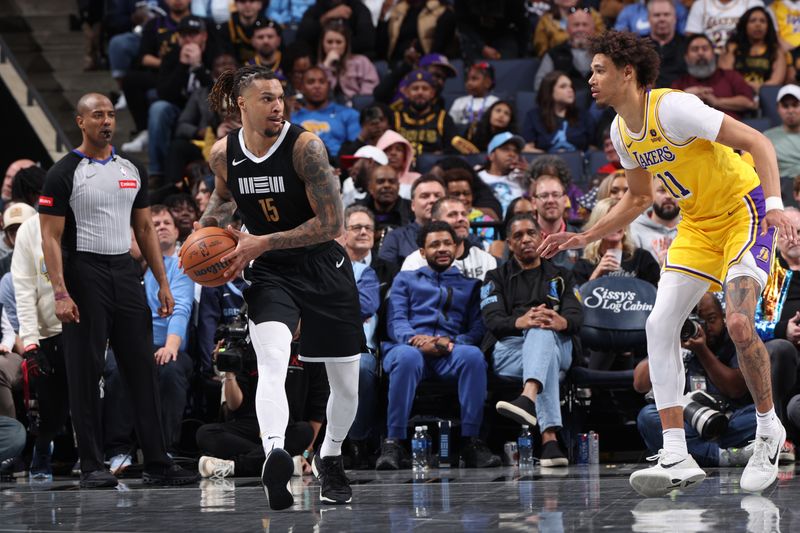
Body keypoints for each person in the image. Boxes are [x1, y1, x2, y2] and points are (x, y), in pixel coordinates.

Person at [539, 30, 795, 496]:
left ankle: (767, 429)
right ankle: (676, 451)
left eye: (598, 70)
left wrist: (776, 204)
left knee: (739, 324)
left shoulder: (674, 108)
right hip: (697, 226)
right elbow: (638, 197)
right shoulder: (621, 130)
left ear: (626, 72)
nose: (589, 79)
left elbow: (757, 141)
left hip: (744, 211)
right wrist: (585, 235)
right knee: (659, 325)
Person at [202, 65, 363, 508]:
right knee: (271, 359)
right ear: (242, 105)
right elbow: (222, 199)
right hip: (270, 269)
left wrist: (260, 241)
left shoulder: (305, 147)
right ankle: (275, 453)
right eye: (267, 99)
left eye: (280, 98)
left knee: (345, 385)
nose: (277, 106)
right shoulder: (223, 153)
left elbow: (333, 223)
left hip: (322, 265)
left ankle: (329, 455)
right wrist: (205, 238)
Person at [38, 93, 198, 488]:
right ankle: (91, 464)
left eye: (111, 114)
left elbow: (144, 229)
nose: (106, 121)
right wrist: (60, 291)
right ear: (81, 121)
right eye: (97, 115)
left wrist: (162, 282)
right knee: (86, 369)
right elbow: (50, 239)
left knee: (141, 368)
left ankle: (158, 461)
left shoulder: (131, 168)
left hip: (125, 272)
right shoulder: (63, 173)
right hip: (83, 271)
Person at [377, 221, 501, 469]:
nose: (442, 249)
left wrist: (452, 342)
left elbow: (478, 328)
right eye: (435, 244)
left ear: (456, 248)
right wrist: (415, 340)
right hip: (409, 349)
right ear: (422, 252)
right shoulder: (404, 280)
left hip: (450, 352)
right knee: (406, 358)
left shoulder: (471, 285)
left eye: (447, 243)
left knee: (473, 356)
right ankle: (393, 443)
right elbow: (396, 321)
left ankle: (472, 441)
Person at [483, 213, 582, 467]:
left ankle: (527, 397)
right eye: (518, 235)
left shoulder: (562, 275)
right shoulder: (495, 277)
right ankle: (550, 441)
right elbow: (492, 320)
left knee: (543, 331)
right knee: (539, 334)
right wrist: (521, 321)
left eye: (531, 233)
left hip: (559, 346)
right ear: (509, 243)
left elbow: (577, 316)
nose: (526, 239)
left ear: (542, 237)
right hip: (510, 351)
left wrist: (561, 322)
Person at [104, 207, 195, 462]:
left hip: (167, 343)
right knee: (115, 365)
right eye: (155, 223)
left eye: (168, 222)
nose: (162, 226)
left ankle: (165, 450)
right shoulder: (125, 267)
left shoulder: (179, 266)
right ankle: (118, 450)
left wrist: (171, 346)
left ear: (177, 232)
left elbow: (181, 309)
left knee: (170, 368)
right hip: (130, 344)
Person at [634, 292, 760, 468]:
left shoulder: (732, 338)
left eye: (711, 319)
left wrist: (702, 351)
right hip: (687, 425)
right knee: (647, 416)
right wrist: (668, 341)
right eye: (696, 320)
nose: (704, 326)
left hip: (728, 422)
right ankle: (723, 456)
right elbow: (640, 384)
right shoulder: (676, 338)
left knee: (764, 412)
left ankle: (694, 453)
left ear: (723, 317)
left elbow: (735, 389)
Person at [401, 197, 497, 281]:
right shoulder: (414, 262)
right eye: (452, 215)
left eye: (464, 214)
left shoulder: (486, 260)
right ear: (436, 222)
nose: (461, 219)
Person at [573, 197, 661, 286]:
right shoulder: (584, 264)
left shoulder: (642, 258)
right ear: (596, 226)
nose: (614, 226)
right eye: (608, 221)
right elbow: (579, 297)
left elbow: (656, 293)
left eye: (619, 220)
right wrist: (596, 274)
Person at [672, 33, 757, 120]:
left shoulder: (731, 76)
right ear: (686, 57)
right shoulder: (679, 84)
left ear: (713, 54)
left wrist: (717, 101)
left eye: (705, 49)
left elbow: (749, 102)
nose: (700, 53)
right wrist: (686, 96)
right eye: (695, 49)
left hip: (729, 130)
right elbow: (669, 110)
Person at [292, 66, 361, 158]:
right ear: (302, 87)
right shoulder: (292, 118)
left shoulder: (349, 114)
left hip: (338, 165)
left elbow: (356, 147)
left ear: (328, 85)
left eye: (322, 82)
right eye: (311, 82)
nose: (317, 86)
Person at [378, 174, 446, 266]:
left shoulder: (459, 236)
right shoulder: (395, 238)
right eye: (425, 196)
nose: (432, 200)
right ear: (413, 205)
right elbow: (385, 276)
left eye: (437, 196)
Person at [523, 71, 595, 154]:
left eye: (571, 86)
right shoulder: (533, 116)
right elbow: (527, 148)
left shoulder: (584, 116)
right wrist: (548, 158)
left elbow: (593, 148)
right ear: (549, 91)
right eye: (563, 86)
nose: (570, 90)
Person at [719, 7, 786, 93]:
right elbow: (726, 77)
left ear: (768, 26)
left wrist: (759, 88)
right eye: (752, 21)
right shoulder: (731, 48)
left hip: (765, 96)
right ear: (744, 25)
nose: (758, 25)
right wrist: (746, 87)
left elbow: (776, 81)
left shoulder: (776, 51)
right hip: (736, 94)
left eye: (762, 21)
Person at [392, 69, 457, 155]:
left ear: (432, 93)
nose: (420, 92)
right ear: (406, 92)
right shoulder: (396, 118)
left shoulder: (444, 118)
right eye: (415, 89)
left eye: (425, 88)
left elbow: (452, 150)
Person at [534, 8, 598, 94]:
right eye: (576, 25)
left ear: (593, 29)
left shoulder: (603, 53)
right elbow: (540, 85)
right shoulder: (554, 54)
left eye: (585, 25)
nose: (580, 29)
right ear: (567, 29)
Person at [532, 173, 583, 270]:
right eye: (544, 195)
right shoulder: (522, 240)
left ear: (565, 200)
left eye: (556, 195)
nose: (550, 200)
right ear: (534, 202)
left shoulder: (580, 237)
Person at [318, 21, 379, 101]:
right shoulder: (319, 67)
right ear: (322, 44)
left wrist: (359, 101)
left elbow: (370, 86)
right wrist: (326, 66)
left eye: (339, 42)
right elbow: (320, 92)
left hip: (355, 105)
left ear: (346, 44)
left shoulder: (361, 61)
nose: (334, 46)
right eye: (329, 42)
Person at [297, 0, 377, 59]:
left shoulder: (359, 9)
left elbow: (367, 41)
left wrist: (340, 47)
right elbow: (302, 38)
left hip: (353, 59)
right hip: (319, 60)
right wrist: (326, 17)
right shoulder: (315, 9)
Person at [630, 176, 681, 266]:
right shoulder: (634, 228)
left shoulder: (694, 228)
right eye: (662, 190)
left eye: (674, 191)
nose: (668, 196)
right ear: (651, 194)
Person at [354, 164, 414, 239]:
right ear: (370, 187)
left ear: (398, 187)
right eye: (380, 182)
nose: (387, 185)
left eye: (392, 182)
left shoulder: (412, 209)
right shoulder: (356, 210)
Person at [685, 0, 765, 54]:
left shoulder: (754, 3)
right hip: (710, 59)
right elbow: (691, 39)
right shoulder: (700, 4)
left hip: (744, 56)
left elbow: (768, 37)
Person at [532, 0, 605, 57]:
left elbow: (602, 40)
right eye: (577, 25)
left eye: (584, 24)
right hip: (559, 62)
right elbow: (541, 50)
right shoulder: (545, 20)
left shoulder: (592, 15)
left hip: (591, 58)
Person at [478, 132, 527, 214]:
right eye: (505, 149)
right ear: (491, 155)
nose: (512, 154)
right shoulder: (478, 178)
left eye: (515, 151)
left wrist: (531, 176)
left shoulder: (522, 178)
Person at [646, 0, 688, 89]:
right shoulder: (639, 46)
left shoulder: (687, 45)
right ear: (648, 19)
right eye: (657, 15)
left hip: (681, 96)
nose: (662, 19)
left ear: (675, 18)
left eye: (666, 14)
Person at [764, 85, 800, 179]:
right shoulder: (766, 138)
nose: (790, 110)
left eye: (795, 105)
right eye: (785, 106)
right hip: (783, 186)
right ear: (778, 109)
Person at [449, 62, 499, 127]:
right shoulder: (459, 101)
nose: (469, 83)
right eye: (467, 79)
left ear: (487, 83)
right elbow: (451, 124)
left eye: (474, 79)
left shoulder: (495, 102)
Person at [376, 129, 421, 199]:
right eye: (388, 149)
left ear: (405, 156)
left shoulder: (417, 179)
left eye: (398, 149)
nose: (393, 153)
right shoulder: (371, 180)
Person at [215, 0, 264, 64]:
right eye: (242, 1)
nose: (247, 5)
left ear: (260, 4)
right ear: (235, 4)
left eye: (252, 1)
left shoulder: (270, 27)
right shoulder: (224, 29)